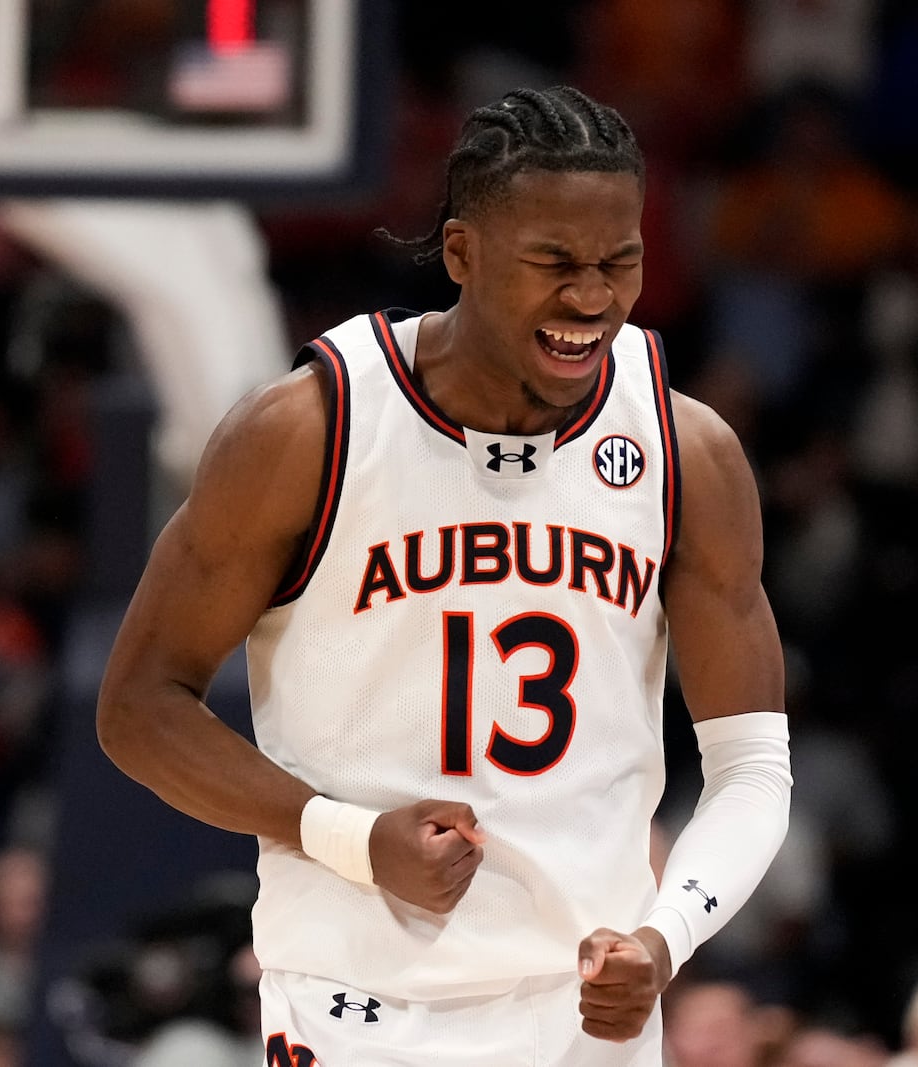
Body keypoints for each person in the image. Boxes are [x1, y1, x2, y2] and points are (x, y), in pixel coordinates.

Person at [96, 85, 793, 1067]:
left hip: (582, 1010)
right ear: (461, 254)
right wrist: (348, 837)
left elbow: (753, 770)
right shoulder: (309, 430)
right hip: (356, 1001)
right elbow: (137, 707)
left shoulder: (688, 450)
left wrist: (663, 931)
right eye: (552, 263)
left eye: (617, 261)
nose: (590, 297)